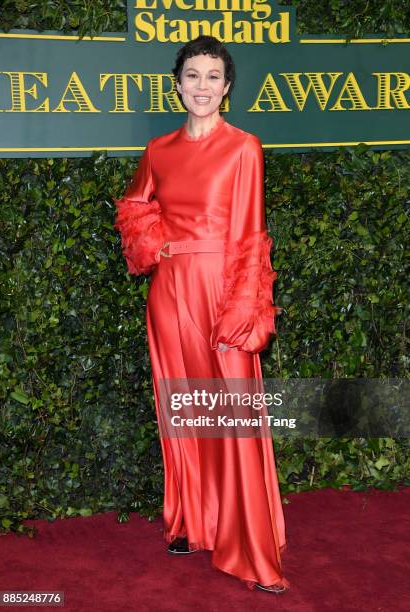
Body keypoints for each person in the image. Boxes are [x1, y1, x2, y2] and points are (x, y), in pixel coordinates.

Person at [113, 35, 290, 594]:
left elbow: (250, 237)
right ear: (177, 83)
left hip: (224, 292)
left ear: (228, 87)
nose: (203, 86)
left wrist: (243, 309)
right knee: (184, 407)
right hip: (170, 294)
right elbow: (136, 209)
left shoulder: (244, 148)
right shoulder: (158, 150)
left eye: (214, 76)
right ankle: (191, 521)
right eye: (193, 75)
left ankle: (252, 550)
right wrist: (155, 244)